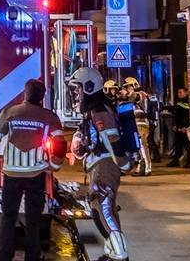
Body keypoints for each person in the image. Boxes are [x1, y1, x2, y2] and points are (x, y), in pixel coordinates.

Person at [0, 79, 66, 261]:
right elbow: (60, 145)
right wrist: (54, 167)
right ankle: (32, 256)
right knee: (33, 220)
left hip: (12, 175)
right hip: (36, 175)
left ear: (25, 94)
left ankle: (4, 256)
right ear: (42, 97)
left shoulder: (11, 112)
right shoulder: (49, 117)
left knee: (8, 218)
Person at [68, 67, 129, 261]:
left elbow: (111, 139)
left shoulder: (99, 110)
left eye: (78, 88)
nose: (76, 93)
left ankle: (120, 255)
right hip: (98, 162)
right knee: (100, 208)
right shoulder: (93, 109)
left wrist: (122, 163)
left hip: (105, 163)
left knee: (104, 208)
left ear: (89, 86)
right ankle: (112, 250)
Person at [122, 77, 154, 176]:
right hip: (137, 124)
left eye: (128, 87)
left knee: (143, 146)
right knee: (139, 148)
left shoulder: (141, 94)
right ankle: (141, 167)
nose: (127, 89)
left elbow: (135, 97)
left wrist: (127, 93)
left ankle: (147, 169)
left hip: (142, 125)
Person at [165, 87, 190, 167]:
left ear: (186, 92)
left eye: (181, 92)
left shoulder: (187, 102)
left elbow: (185, 112)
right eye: (178, 92)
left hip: (185, 127)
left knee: (188, 145)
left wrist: (185, 126)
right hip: (179, 127)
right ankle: (176, 160)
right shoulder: (179, 102)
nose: (179, 94)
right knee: (178, 145)